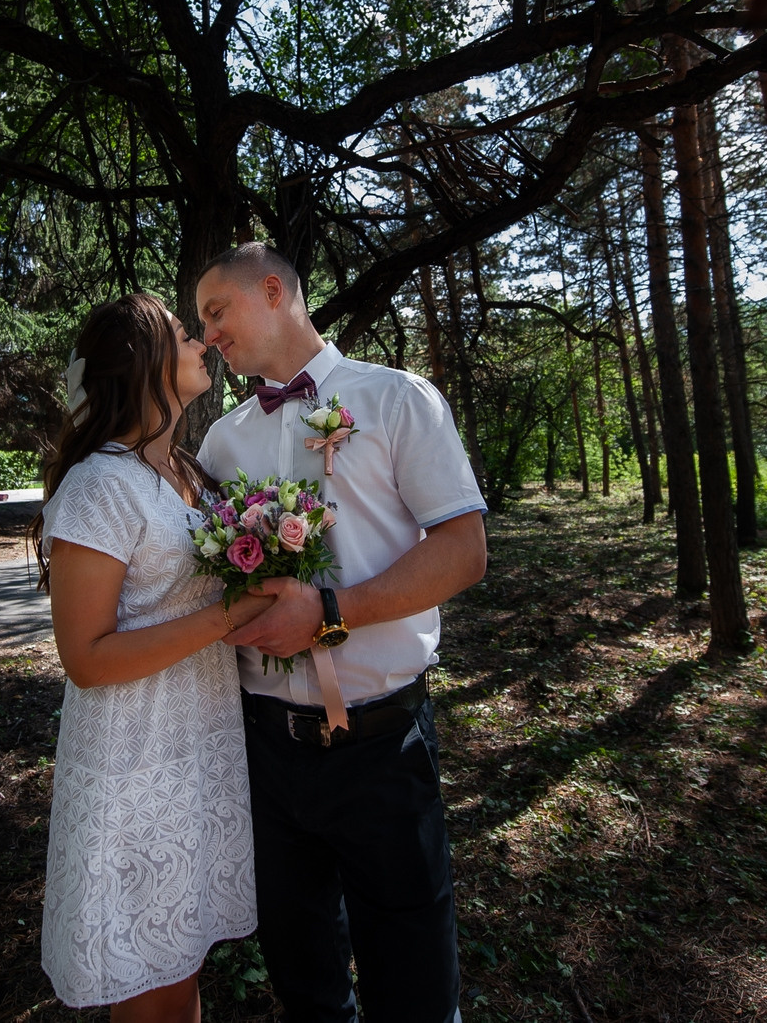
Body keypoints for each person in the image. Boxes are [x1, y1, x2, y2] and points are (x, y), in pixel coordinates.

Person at [195, 243, 489, 1023]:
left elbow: (464, 551)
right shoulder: (220, 444)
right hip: (265, 752)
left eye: (215, 311)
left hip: (382, 746)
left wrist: (331, 612)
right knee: (307, 985)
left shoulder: (396, 399)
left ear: (272, 289)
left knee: (416, 988)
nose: (209, 335)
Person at [35, 293, 276, 1022]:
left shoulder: (188, 473)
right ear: (140, 360)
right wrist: (226, 614)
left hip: (197, 745)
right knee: (149, 979)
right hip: (134, 763)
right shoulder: (98, 483)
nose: (201, 339)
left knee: (183, 965)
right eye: (179, 331)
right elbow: (86, 656)